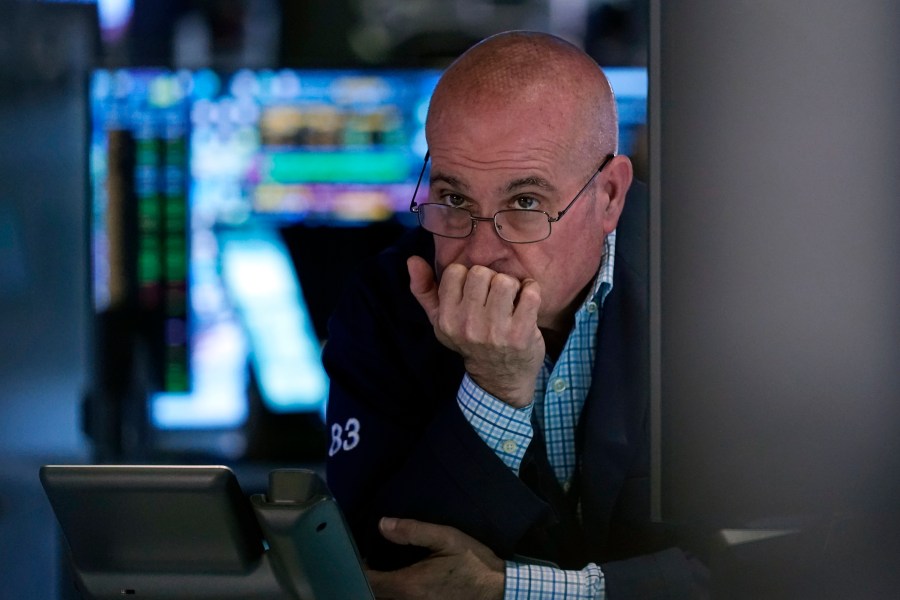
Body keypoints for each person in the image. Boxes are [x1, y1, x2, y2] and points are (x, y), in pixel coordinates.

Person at [323, 31, 701, 599]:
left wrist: (516, 589)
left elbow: (783, 557)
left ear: (610, 196)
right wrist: (493, 388)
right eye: (453, 199)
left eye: (525, 203)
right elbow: (385, 572)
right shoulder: (383, 301)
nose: (478, 253)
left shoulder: (723, 290)